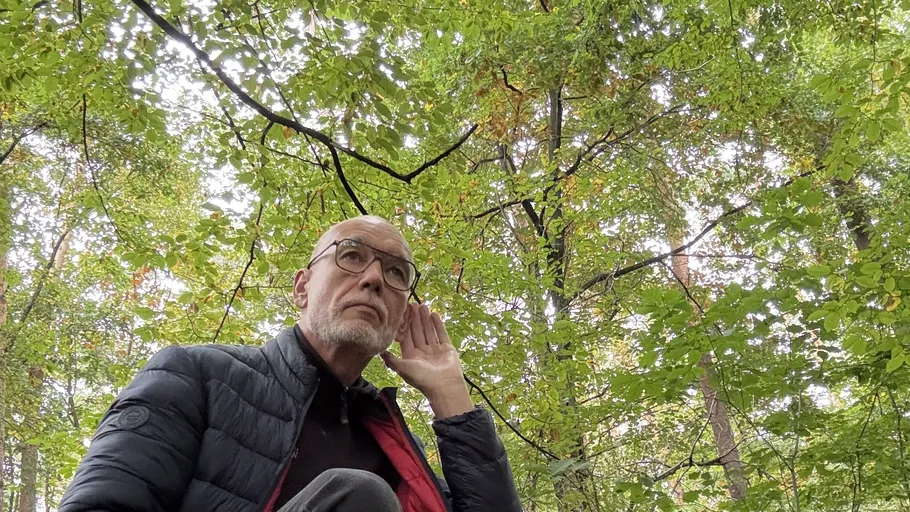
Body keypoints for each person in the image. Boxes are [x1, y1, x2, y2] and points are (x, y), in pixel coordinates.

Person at [58, 215, 521, 512]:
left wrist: (451, 397)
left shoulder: (397, 447)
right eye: (352, 256)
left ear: (401, 315)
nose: (375, 277)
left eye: (396, 272)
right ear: (302, 288)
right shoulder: (196, 377)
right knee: (359, 495)